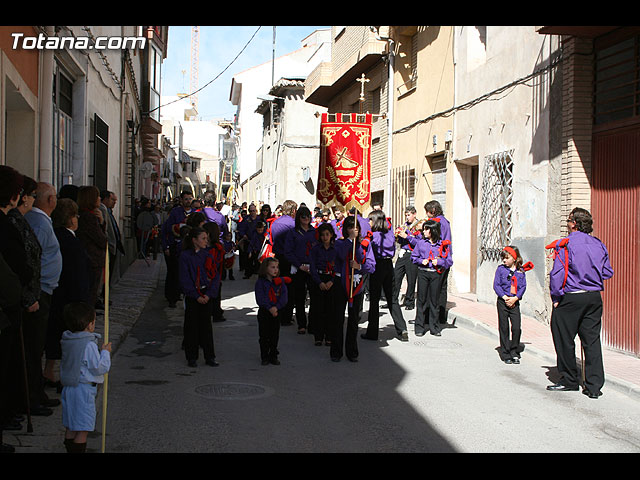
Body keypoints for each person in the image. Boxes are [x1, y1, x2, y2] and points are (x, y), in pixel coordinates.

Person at [546, 208, 614, 399]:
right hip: (593, 297)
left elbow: (557, 274)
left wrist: (556, 297)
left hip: (572, 297)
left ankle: (569, 380)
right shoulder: (598, 244)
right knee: (591, 340)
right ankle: (593, 386)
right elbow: (607, 272)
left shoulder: (566, 245)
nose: (567, 224)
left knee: (564, 338)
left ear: (574, 223)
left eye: (568, 221)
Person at [24, 181, 63, 415]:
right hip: (39, 292)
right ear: (50, 200)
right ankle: (32, 397)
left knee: (37, 346)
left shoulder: (40, 220)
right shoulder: (38, 222)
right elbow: (32, 260)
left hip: (45, 290)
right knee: (33, 348)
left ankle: (37, 393)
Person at [45, 199, 91, 391]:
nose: (77, 219)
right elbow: (78, 273)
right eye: (75, 216)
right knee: (69, 341)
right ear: (70, 219)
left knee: (55, 335)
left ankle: (49, 372)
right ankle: (63, 378)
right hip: (70, 298)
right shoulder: (71, 242)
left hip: (56, 295)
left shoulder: (55, 235)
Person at [60, 302, 111, 453]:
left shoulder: (68, 339)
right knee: (82, 428)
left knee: (71, 425)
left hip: (69, 388)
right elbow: (99, 368)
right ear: (90, 325)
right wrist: (105, 353)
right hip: (83, 390)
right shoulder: (88, 345)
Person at [332, 216, 375, 362]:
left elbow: (371, 264)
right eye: (350, 227)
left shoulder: (364, 245)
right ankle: (336, 352)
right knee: (337, 318)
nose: (353, 229)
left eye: (356, 227)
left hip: (356, 284)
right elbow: (340, 256)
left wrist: (360, 267)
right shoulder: (339, 243)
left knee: (353, 319)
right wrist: (351, 241)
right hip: (341, 283)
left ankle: (352, 351)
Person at [363, 210, 409, 342]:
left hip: (377, 265)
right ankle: (402, 329)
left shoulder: (374, 235)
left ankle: (372, 332)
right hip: (388, 265)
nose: (369, 223)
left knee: (374, 300)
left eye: (371, 220)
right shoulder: (389, 233)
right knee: (392, 299)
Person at [178, 227, 219, 367]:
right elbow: (184, 278)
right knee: (191, 326)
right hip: (193, 296)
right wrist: (196, 295)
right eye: (203, 238)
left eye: (206, 238)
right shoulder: (185, 256)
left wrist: (209, 294)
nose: (205, 241)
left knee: (206, 326)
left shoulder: (208, 255)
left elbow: (215, 275)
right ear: (194, 240)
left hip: (206, 293)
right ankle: (191, 356)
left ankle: (210, 356)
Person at [411, 219, 453, 337]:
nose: (423, 232)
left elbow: (449, 261)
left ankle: (434, 326)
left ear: (433, 231)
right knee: (421, 300)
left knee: (434, 301)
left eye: (426, 229)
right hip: (423, 273)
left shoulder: (443, 245)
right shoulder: (421, 243)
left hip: (435, 273)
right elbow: (413, 257)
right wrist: (421, 260)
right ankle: (419, 326)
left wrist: (439, 261)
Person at [493, 246, 533, 364]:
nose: (504, 261)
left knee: (516, 327)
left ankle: (514, 351)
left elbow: (523, 286)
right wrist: (505, 298)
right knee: (504, 327)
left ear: (514, 258)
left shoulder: (521, 271)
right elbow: (496, 285)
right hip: (503, 301)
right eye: (503, 258)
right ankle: (505, 353)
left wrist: (515, 298)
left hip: (514, 302)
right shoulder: (500, 269)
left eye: (507, 258)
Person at [284, 206, 317, 334]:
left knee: (314, 297)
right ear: (299, 218)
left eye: (308, 216)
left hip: (312, 268)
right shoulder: (293, 232)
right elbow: (288, 252)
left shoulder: (315, 232)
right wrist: (299, 265)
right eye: (303, 216)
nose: (306, 219)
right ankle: (301, 324)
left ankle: (313, 324)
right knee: (299, 297)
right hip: (298, 268)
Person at [75, 186, 107, 310]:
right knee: (90, 294)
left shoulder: (85, 216)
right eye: (97, 196)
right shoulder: (89, 218)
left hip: (89, 259)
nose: (99, 198)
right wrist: (101, 223)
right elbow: (102, 240)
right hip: (92, 260)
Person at [254, 257, 290, 365]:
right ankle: (264, 355)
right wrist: (270, 307)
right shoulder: (260, 282)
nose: (275, 270)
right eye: (272, 267)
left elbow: (284, 297)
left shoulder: (280, 282)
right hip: (265, 311)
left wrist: (276, 307)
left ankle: (273, 355)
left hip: (276, 311)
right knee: (264, 335)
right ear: (265, 268)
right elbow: (260, 298)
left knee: (274, 334)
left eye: (277, 267)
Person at [161, 190, 193, 308]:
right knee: (173, 273)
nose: (188, 201)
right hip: (175, 247)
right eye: (186, 199)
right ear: (181, 200)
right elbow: (166, 229)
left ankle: (182, 292)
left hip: (188, 248)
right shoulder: (175, 212)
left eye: (190, 199)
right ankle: (171, 297)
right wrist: (166, 246)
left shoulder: (194, 213)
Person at [309, 223, 339, 346]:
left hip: (331, 278)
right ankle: (318, 336)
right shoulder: (315, 249)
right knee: (318, 309)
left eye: (327, 234)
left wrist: (332, 281)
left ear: (331, 235)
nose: (325, 237)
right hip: (319, 278)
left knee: (330, 309)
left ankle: (329, 336)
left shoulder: (336, 249)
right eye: (322, 235)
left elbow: (338, 266)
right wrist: (319, 282)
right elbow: (312, 266)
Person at [424, 200, 452, 324]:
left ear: (433, 211)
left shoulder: (438, 222)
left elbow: (435, 241)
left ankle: (430, 318)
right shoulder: (445, 221)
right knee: (442, 289)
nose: (427, 215)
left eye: (427, 212)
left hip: (438, 258)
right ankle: (441, 316)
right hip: (446, 258)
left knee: (433, 290)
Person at [270, 200, 297, 325]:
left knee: (277, 286)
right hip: (289, 258)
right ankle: (286, 316)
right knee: (289, 288)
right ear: (293, 211)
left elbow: (271, 240)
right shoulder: (293, 224)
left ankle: (278, 312)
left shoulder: (275, 223)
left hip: (277, 258)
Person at [393, 206, 421, 310]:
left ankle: (409, 302)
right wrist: (398, 236)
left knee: (411, 279)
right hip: (403, 253)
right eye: (406, 215)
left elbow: (419, 243)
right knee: (396, 276)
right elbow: (401, 241)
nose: (407, 217)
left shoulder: (418, 226)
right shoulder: (405, 225)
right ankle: (393, 300)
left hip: (412, 254)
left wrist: (407, 237)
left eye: (409, 215)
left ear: (414, 214)